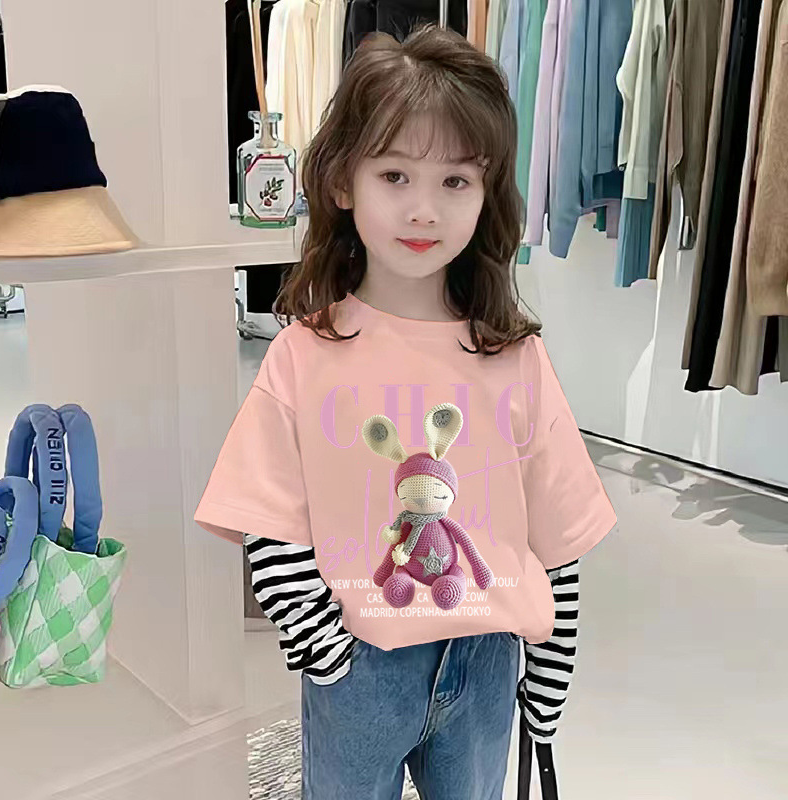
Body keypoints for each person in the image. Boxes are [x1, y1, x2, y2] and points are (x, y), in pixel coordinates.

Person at [195, 22, 617, 800]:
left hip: (488, 659)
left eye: (456, 181)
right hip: (361, 664)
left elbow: (558, 538)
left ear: (487, 194)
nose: (424, 210)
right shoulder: (305, 355)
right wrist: (324, 650)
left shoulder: (513, 357)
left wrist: (548, 681)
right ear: (342, 181)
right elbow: (267, 522)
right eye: (395, 175)